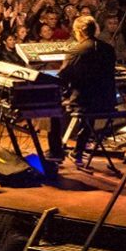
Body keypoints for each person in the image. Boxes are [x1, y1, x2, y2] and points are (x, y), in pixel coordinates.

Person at [46, 15, 119, 173]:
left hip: (85, 102)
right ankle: (78, 150)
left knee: (53, 108)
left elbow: (63, 76)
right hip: (108, 101)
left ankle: (56, 152)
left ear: (80, 31)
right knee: (88, 107)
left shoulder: (76, 50)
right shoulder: (108, 49)